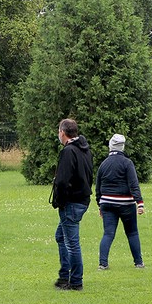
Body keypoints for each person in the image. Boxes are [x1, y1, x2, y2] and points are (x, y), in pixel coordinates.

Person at [50, 119, 93, 291]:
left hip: (71, 202)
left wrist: (58, 200)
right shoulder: (85, 149)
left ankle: (75, 281)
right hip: (82, 200)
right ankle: (63, 276)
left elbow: (62, 180)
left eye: (58, 131)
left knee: (72, 243)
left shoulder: (68, 151)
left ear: (63, 132)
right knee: (61, 236)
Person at [96, 134, 145, 270]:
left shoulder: (104, 164)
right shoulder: (127, 163)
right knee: (132, 233)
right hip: (126, 204)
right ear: (122, 147)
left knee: (108, 233)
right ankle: (138, 263)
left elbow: (98, 187)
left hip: (107, 202)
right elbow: (133, 184)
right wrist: (139, 202)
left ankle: (103, 263)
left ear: (111, 146)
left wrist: (100, 205)